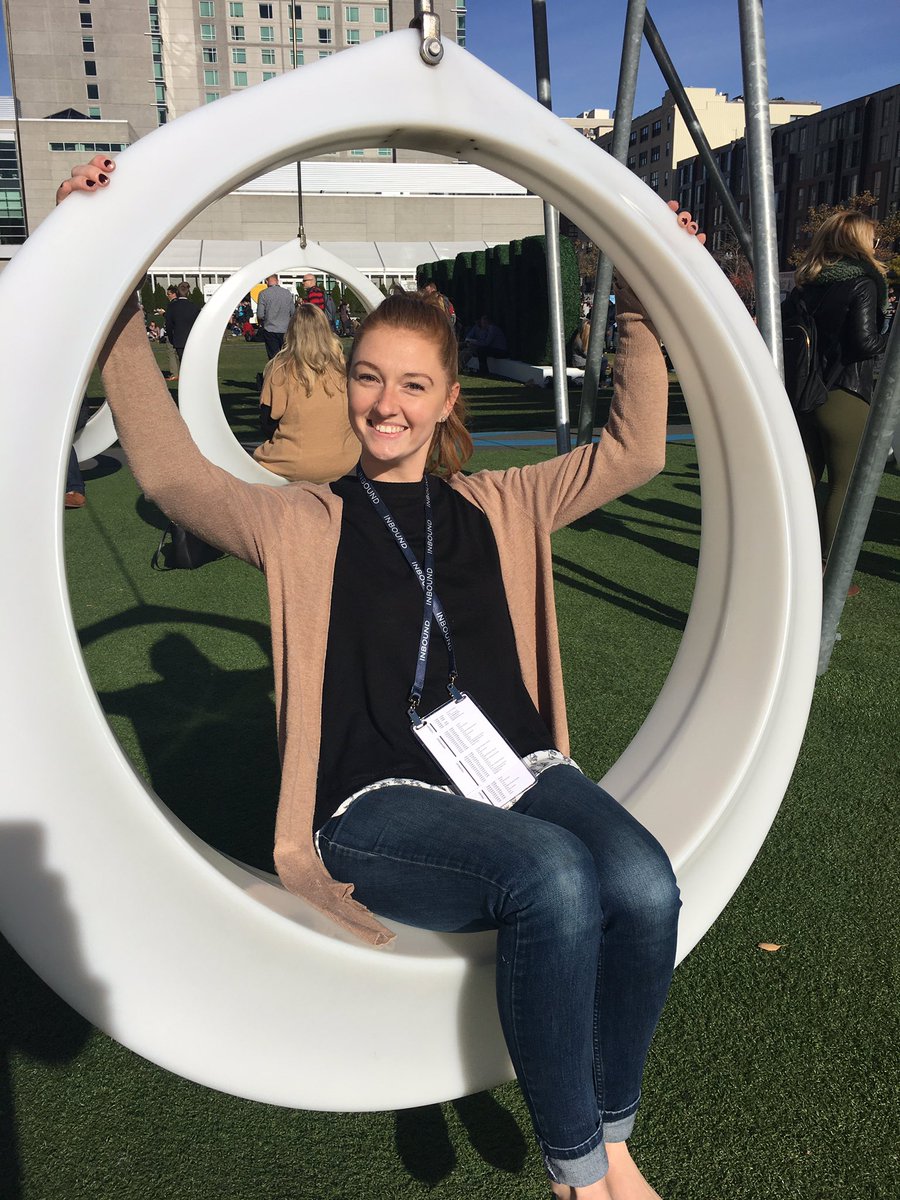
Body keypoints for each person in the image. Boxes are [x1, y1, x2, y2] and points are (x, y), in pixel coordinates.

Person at [59, 156, 705, 1200]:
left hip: (510, 770)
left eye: (412, 384)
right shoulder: (302, 522)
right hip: (375, 801)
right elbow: (175, 475)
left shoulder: (503, 506)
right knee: (552, 877)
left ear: (448, 397)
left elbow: (633, 453)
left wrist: (642, 297)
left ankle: (613, 1128)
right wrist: (113, 287)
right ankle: (581, 1174)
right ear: (346, 380)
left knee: (642, 881)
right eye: (369, 377)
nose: (386, 404)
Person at [794, 211, 888, 562]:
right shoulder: (863, 282)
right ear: (859, 242)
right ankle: (831, 575)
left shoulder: (806, 285)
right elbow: (864, 343)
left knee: (801, 486)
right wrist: (890, 341)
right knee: (843, 486)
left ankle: (790, 565)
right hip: (844, 393)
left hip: (802, 392)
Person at [252, 303, 359, 483]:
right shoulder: (344, 366)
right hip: (347, 461)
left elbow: (267, 423)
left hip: (293, 464)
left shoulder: (281, 369)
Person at [255, 273, 295, 360]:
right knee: (286, 357)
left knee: (273, 357)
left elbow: (260, 314)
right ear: (277, 281)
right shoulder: (287, 293)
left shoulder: (263, 294)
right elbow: (293, 312)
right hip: (285, 329)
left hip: (270, 328)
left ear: (266, 281)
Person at [164, 281, 200, 370]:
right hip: (192, 339)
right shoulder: (194, 307)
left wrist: (171, 338)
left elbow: (169, 325)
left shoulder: (172, 306)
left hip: (179, 339)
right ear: (188, 292)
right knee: (192, 364)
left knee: (183, 363)